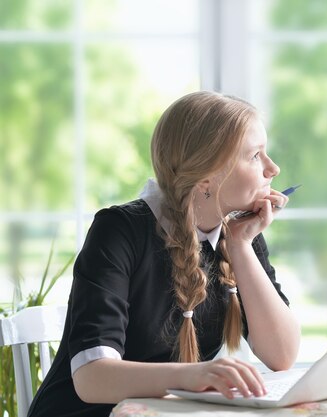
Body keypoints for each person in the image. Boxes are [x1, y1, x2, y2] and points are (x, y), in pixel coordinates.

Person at [28, 91, 301, 417]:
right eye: (255, 155)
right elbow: (91, 378)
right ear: (207, 177)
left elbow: (281, 355)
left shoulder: (239, 232)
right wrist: (195, 377)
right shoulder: (118, 231)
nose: (273, 168)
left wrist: (241, 245)